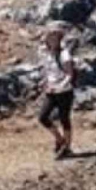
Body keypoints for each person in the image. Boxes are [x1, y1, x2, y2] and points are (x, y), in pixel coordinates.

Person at [37, 21, 77, 158]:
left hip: (64, 91)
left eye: (55, 37)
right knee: (43, 117)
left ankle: (67, 147)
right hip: (51, 90)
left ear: (59, 39)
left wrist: (61, 85)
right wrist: (44, 82)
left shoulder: (64, 54)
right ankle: (60, 139)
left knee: (64, 118)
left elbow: (70, 74)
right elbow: (49, 72)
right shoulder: (47, 54)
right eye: (50, 37)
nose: (52, 40)